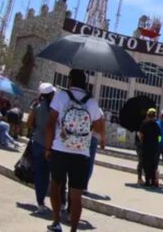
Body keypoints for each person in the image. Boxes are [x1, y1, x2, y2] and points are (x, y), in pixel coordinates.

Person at [45, 69, 105, 232]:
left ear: (70, 80)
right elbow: (99, 128)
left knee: (56, 185)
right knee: (76, 194)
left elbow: (50, 124)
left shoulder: (61, 96)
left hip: (60, 148)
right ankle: (73, 230)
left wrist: (48, 147)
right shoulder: (91, 102)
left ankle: (56, 222)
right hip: (81, 153)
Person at [26, 82, 55, 214]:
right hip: (51, 145)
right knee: (47, 174)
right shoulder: (55, 109)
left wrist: (37, 128)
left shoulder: (36, 106)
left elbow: (28, 123)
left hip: (37, 142)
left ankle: (40, 202)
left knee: (39, 174)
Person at [138, 109, 161, 187]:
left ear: (148, 115)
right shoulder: (157, 126)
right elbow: (159, 137)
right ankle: (153, 182)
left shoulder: (144, 124)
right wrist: (158, 143)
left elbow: (140, 134)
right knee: (153, 165)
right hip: (154, 148)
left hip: (146, 148)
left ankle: (147, 181)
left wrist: (142, 141)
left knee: (146, 164)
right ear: (155, 116)